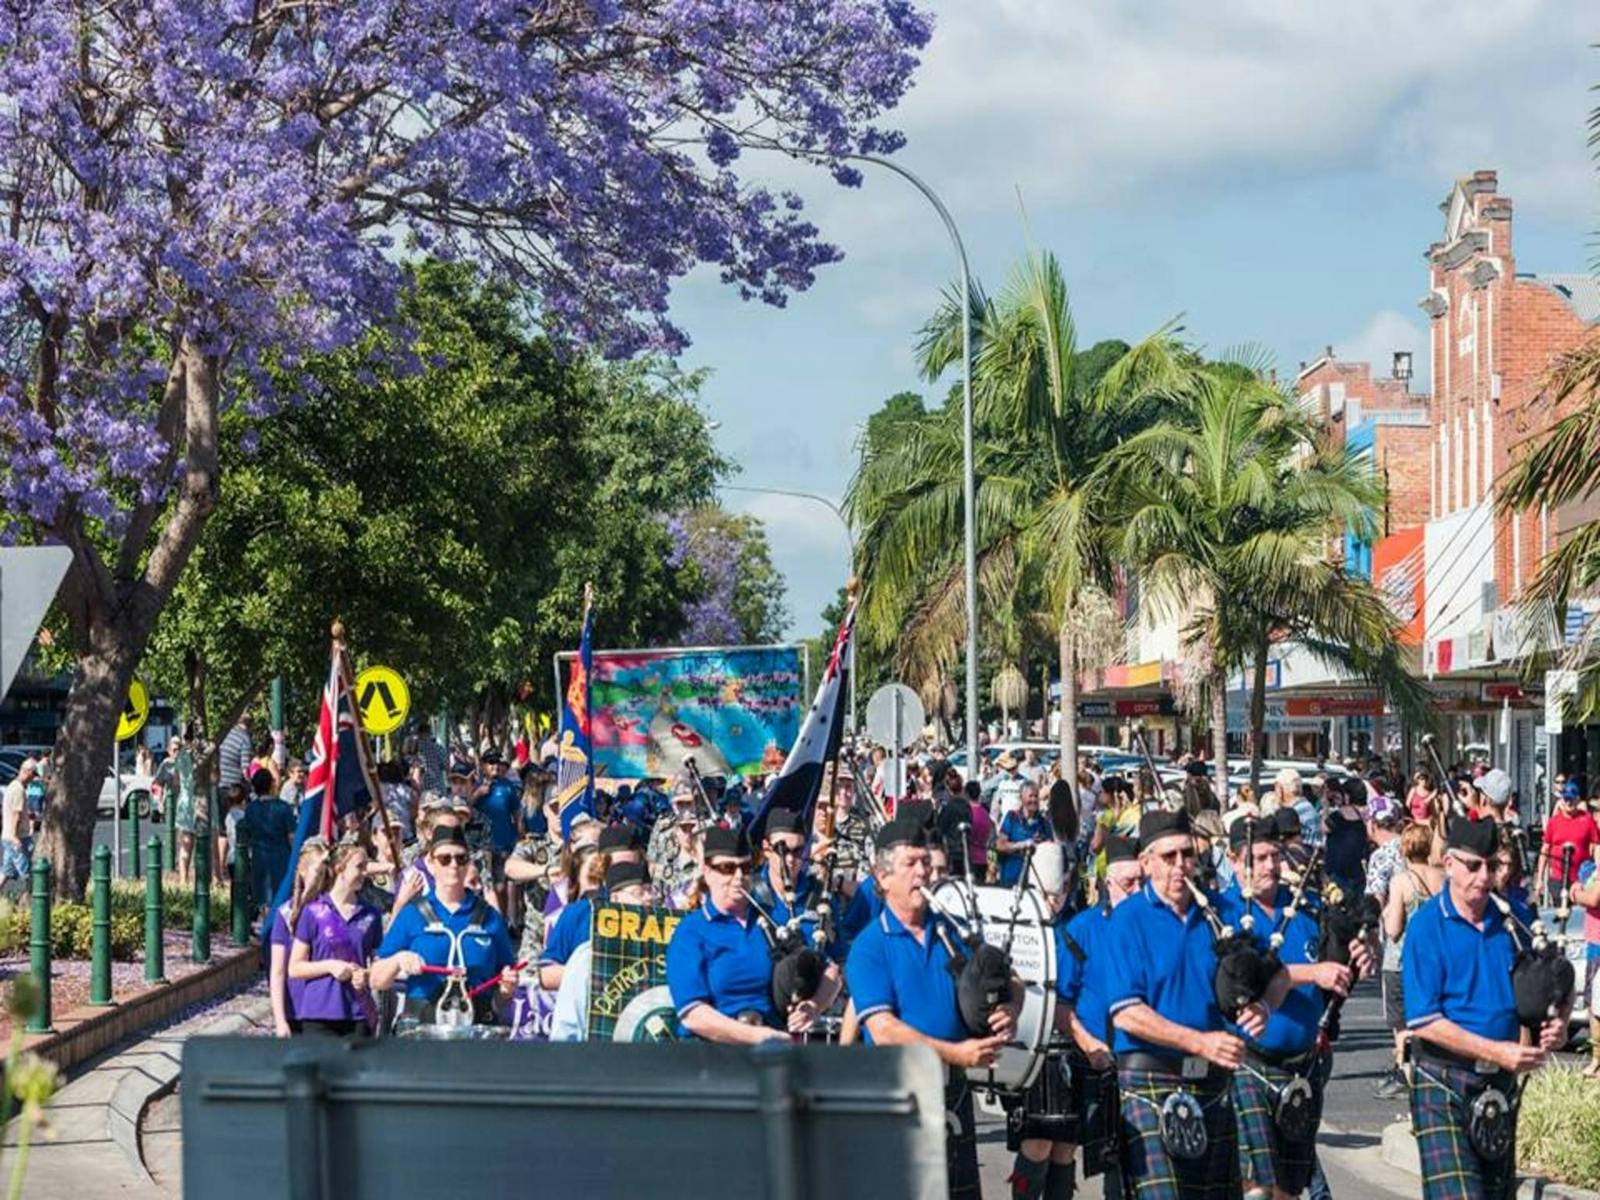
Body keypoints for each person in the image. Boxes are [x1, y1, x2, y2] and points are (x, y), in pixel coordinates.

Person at [1105, 810, 1286, 1200]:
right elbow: (1126, 1012)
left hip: (1215, 1082)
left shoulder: (1224, 912)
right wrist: (1199, 1042)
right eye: (1168, 857)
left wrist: (1264, 1008)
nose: (1180, 865)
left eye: (1187, 854)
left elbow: (1279, 974)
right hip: (1151, 1080)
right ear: (1146, 862)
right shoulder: (1127, 920)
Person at [845, 817, 1020, 1200]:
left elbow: (1011, 979)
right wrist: (955, 1052)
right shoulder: (869, 947)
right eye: (911, 863)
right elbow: (885, 1029)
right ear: (883, 877)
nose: (923, 872)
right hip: (899, 1089)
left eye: (926, 862)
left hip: (952, 1088)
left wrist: (1011, 1007)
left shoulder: (952, 929)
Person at [1403, 816, 1568, 1200]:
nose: (1483, 877)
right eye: (1473, 866)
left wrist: (1555, 1023)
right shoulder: (1427, 926)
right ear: (1449, 864)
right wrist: (1496, 1050)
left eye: (1491, 866)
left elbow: (1549, 985)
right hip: (1443, 1082)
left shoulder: (1512, 922)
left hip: (1498, 1084)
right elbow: (1424, 1020)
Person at [1220, 819, 1368, 1200]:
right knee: (1256, 1187)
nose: (1270, 865)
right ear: (1235, 862)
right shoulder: (1224, 912)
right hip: (1249, 1063)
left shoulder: (1307, 909)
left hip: (1302, 1066)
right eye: (1258, 857)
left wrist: (1361, 956)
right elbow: (1243, 971)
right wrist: (1311, 973)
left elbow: (1337, 963)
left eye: (1274, 855)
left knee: (1290, 1187)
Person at [666, 824, 816, 1043]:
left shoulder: (771, 921)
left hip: (770, 1044)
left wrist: (812, 1006)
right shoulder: (691, 932)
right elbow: (692, 1015)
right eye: (727, 868)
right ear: (707, 873)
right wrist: (753, 1036)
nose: (738, 877)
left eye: (745, 868)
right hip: (710, 1054)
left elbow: (829, 970)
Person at [1059, 834, 1143, 1200]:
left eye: (1143, 881)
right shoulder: (1082, 928)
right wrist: (1088, 1042)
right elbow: (1060, 1002)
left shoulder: (1155, 926)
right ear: (1108, 883)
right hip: (1099, 1061)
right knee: (1111, 1159)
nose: (1137, 890)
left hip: (1148, 1062)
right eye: (1129, 883)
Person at [370, 826, 518, 1026]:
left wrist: (506, 989)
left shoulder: (490, 917)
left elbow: (503, 990)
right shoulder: (412, 914)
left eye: (461, 858)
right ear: (431, 863)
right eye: (445, 859)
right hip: (423, 1028)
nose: (453, 865)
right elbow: (377, 979)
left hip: (477, 1025)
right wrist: (398, 960)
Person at [1002, 842, 1078, 1200]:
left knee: (1065, 1146)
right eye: (1046, 893)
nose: (1053, 900)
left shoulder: (1074, 927)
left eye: (1059, 891)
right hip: (1032, 1048)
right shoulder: (1017, 930)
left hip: (1071, 1047)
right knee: (1038, 1142)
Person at [549, 859, 657, 1042]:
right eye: (640, 892)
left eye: (650, 891)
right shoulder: (588, 955)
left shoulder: (663, 952)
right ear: (615, 898)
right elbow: (566, 1029)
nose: (648, 898)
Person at [288, 838, 384, 1037]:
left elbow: (378, 963)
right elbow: (295, 968)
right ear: (340, 868)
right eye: (359, 866)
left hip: (358, 1013)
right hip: (319, 1014)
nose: (365, 873)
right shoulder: (313, 912)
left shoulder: (371, 915)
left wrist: (366, 975)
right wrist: (330, 966)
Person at [1374, 822, 1443, 1099]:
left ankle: (1403, 1073)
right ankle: (1426, 1069)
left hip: (1400, 960)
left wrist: (1384, 913)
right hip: (1431, 960)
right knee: (1425, 1017)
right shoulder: (1441, 879)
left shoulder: (1401, 881)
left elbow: (1393, 929)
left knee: (1401, 1022)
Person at [269, 836, 329, 1037]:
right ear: (302, 871)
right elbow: (277, 971)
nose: (323, 875)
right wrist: (280, 1019)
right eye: (317, 870)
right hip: (296, 1008)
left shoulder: (333, 910)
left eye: (326, 870)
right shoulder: (285, 913)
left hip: (327, 1009)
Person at [1536, 779, 1598, 906]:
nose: (1568, 802)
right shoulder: (1554, 822)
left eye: (1571, 799)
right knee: (1561, 912)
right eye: (1566, 799)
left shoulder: (1587, 819)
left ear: (1578, 799)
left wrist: (1597, 872)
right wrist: (1540, 879)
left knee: (1577, 917)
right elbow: (1545, 850)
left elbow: (1596, 847)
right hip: (1558, 878)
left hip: (1581, 879)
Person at [242, 766, 295, 914]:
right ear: (272, 785)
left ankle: (265, 926)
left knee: (263, 898)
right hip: (282, 857)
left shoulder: (251, 809)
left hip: (260, 857)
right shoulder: (284, 808)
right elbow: (292, 836)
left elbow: (247, 834)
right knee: (281, 897)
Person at [996, 782, 1051, 887]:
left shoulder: (1043, 822)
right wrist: (1022, 845)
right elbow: (1000, 845)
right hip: (1010, 877)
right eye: (1030, 796)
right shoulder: (1012, 818)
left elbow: (1049, 847)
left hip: (1034, 881)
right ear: (1021, 798)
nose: (1034, 800)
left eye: (1036, 796)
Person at [1, 759, 34, 883]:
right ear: (27, 772)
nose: (33, 779)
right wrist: (15, 836)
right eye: (33, 775)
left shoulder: (12, 786)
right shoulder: (18, 789)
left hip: (7, 836)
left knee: (6, 872)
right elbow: (16, 814)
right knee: (26, 872)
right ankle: (34, 898)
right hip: (17, 837)